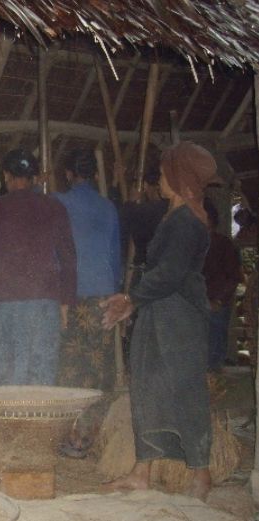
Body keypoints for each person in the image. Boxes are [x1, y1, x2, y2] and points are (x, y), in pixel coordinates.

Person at [100, 141, 220, 501]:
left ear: (178, 175)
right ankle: (142, 471)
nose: (160, 178)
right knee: (149, 387)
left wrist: (132, 298)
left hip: (177, 318)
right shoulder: (176, 215)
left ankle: (201, 475)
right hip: (161, 313)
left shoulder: (186, 221)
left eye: (166, 171)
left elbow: (169, 273)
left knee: (184, 389)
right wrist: (134, 303)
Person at [0, 148, 77, 385]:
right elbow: (69, 259)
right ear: (33, 178)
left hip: (5, 302)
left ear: (6, 176)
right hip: (44, 301)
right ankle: (39, 422)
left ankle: (7, 423)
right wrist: (65, 303)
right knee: (40, 374)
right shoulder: (54, 207)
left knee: (5, 376)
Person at [54, 148, 121, 458]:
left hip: (71, 296)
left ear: (69, 174)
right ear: (94, 175)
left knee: (68, 368)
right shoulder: (108, 207)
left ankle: (69, 435)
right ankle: (90, 437)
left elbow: (57, 254)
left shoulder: (61, 203)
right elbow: (115, 257)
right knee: (96, 369)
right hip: (103, 297)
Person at [202, 199, 242, 372]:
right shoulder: (192, 244)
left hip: (215, 306)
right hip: (197, 305)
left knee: (214, 354)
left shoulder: (223, 244)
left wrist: (218, 300)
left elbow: (234, 277)